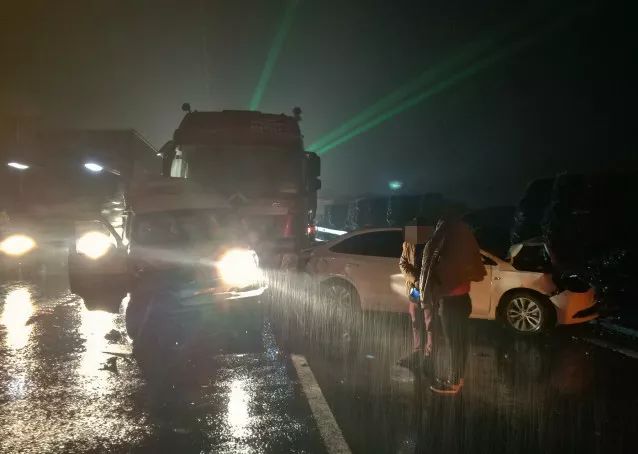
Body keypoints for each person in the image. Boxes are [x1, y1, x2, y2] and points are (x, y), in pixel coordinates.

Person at [419, 214, 485, 395]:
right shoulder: (464, 237)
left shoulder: (445, 238)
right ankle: (458, 378)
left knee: (454, 343)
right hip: (463, 299)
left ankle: (454, 382)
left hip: (451, 301)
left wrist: (429, 293)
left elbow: (433, 266)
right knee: (460, 342)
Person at [398, 217, 434, 369]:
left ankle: (429, 356)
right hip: (415, 288)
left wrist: (423, 281)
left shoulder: (432, 244)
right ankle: (418, 351)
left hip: (429, 288)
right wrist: (415, 280)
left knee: (429, 323)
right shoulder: (408, 244)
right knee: (415, 320)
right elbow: (402, 263)